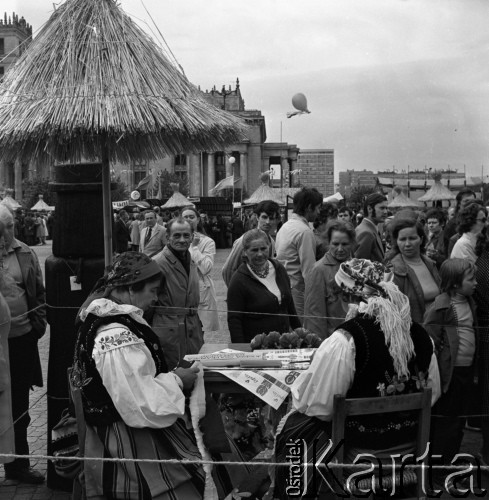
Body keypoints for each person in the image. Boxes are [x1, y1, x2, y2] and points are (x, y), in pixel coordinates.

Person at [71, 252, 236, 499]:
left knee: (209, 451)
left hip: (129, 418)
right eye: (152, 290)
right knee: (196, 474)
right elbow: (140, 401)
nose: (156, 298)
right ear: (129, 289)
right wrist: (178, 380)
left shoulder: (116, 320)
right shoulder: (114, 335)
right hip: (123, 432)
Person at [273, 258, 440, 499]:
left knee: (296, 426)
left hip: (361, 449)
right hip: (410, 446)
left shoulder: (347, 340)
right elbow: (432, 395)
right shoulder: (421, 336)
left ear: (348, 298)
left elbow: (321, 406)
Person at [0, 205, 46, 484]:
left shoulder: (26, 253)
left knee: (19, 407)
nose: (6, 234)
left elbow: (38, 293)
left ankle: (18, 466)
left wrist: (36, 327)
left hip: (21, 341)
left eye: (10, 227)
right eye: (1, 228)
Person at [423, 259, 478, 473]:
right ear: (455, 283)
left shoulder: (471, 303)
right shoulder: (441, 307)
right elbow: (429, 341)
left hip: (467, 371)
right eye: (470, 279)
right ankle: (437, 466)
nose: (475, 283)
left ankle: (451, 460)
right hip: (449, 375)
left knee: (458, 420)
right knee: (446, 421)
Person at [227, 229, 300, 343]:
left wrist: (299, 334)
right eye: (254, 250)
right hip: (255, 348)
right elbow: (234, 320)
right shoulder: (239, 280)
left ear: (269, 247)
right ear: (245, 251)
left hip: (283, 345)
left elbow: (290, 306)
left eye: (263, 249)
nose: (260, 254)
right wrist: (240, 350)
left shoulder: (279, 269)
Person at [152, 217, 203, 369]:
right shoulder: (158, 263)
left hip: (192, 329)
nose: (182, 240)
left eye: (186, 235)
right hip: (169, 332)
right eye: (177, 235)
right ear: (167, 237)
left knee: (196, 374)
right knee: (174, 378)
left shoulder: (190, 259)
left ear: (192, 237)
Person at [275, 187, 323, 319]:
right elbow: (309, 272)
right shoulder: (304, 232)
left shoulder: (286, 226)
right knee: (300, 331)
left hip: (282, 286)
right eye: (318, 207)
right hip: (297, 291)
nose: (319, 212)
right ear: (309, 207)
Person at [304, 220, 356, 339]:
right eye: (335, 244)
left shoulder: (357, 266)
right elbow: (314, 315)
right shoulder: (318, 270)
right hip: (332, 340)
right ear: (328, 243)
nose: (340, 249)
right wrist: (320, 345)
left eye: (345, 244)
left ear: (352, 243)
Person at [386, 215, 441, 323]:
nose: (407, 244)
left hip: (437, 331)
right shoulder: (393, 271)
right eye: (402, 239)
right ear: (396, 241)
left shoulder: (431, 264)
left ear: (421, 239)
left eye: (412, 238)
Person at [222, 200, 280, 287]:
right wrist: (235, 293)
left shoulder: (271, 241)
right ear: (257, 217)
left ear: (276, 220)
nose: (267, 222)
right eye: (264, 217)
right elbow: (228, 270)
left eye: (271, 218)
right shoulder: (245, 240)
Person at [181, 207, 220, 334]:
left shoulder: (207, 242)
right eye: (184, 217)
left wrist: (194, 248)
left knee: (200, 331)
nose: (187, 219)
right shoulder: (175, 241)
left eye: (191, 217)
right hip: (180, 289)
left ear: (198, 220)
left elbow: (206, 268)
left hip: (200, 290)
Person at [354, 192, 388, 262]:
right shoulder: (366, 233)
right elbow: (360, 266)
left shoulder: (369, 228)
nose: (385, 212)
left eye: (386, 208)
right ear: (369, 209)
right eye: (382, 208)